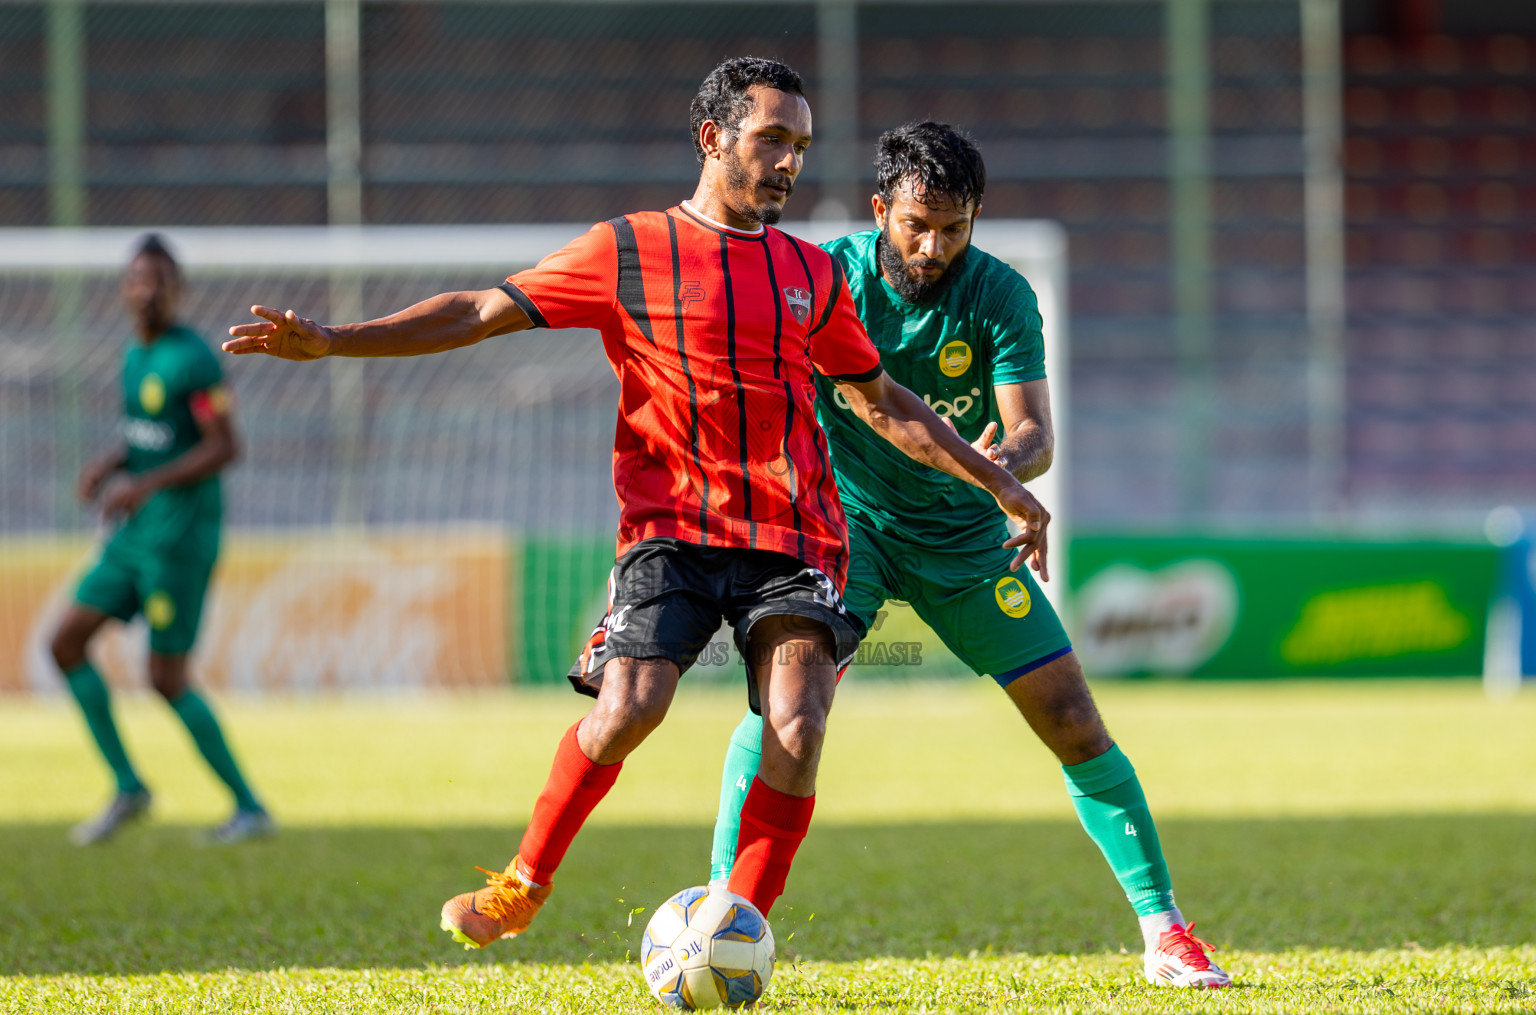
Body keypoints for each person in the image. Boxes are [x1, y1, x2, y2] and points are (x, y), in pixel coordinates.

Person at [222, 58, 1049, 949]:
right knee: (630, 708)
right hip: (672, 529)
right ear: (713, 138)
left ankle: (734, 934)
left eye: (800, 147)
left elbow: (882, 398)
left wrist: (1002, 481)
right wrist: (336, 342)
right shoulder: (627, 250)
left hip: (794, 533)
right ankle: (522, 885)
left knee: (800, 724)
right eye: (770, 139)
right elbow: (475, 312)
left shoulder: (811, 273)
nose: (787, 163)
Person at [706, 122, 1230, 988]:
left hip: (963, 540)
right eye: (918, 224)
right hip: (848, 530)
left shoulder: (1000, 294)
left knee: (1072, 718)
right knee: (787, 712)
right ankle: (726, 912)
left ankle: (1165, 931)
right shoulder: (826, 276)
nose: (935, 245)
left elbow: (1034, 435)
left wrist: (1003, 469)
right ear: (881, 209)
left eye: (956, 227)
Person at [51, 234, 274, 846]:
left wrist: (144, 483)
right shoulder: (133, 354)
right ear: (125, 288)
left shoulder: (193, 359)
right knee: (66, 643)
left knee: (165, 677)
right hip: (135, 533)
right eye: (137, 278)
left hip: (179, 538)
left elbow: (224, 445)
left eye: (158, 279)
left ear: (176, 289)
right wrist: (112, 464)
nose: (146, 289)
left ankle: (250, 807)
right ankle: (128, 787)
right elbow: (157, 435)